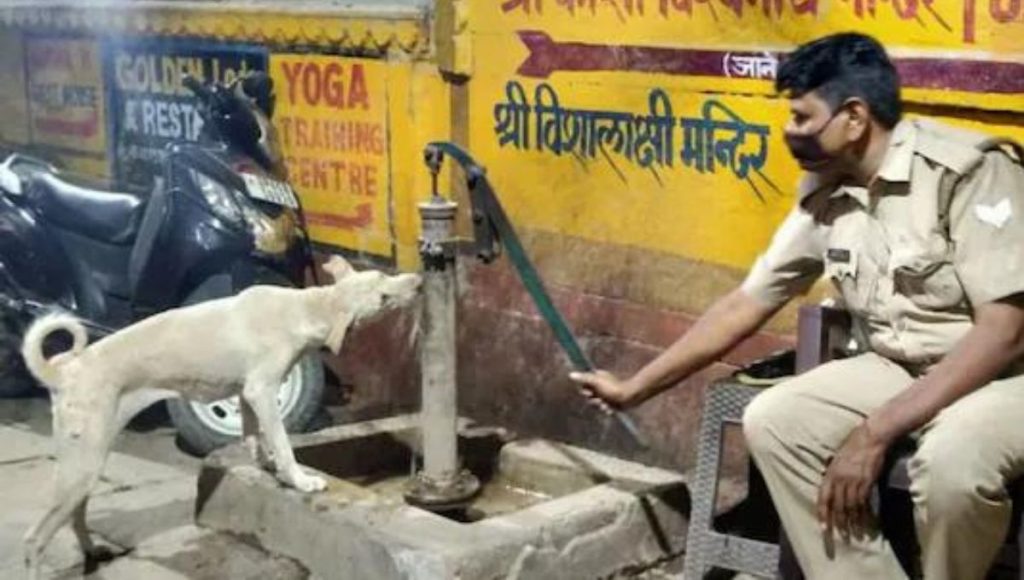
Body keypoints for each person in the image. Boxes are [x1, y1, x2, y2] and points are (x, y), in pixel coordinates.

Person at [570, 32, 1024, 579]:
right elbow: (746, 304)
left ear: (854, 118)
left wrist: (875, 432)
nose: (789, 130)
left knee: (952, 467)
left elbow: (1004, 332)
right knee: (776, 421)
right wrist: (634, 387)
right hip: (902, 365)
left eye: (802, 117)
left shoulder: (965, 173)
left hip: (1004, 376)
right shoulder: (827, 193)